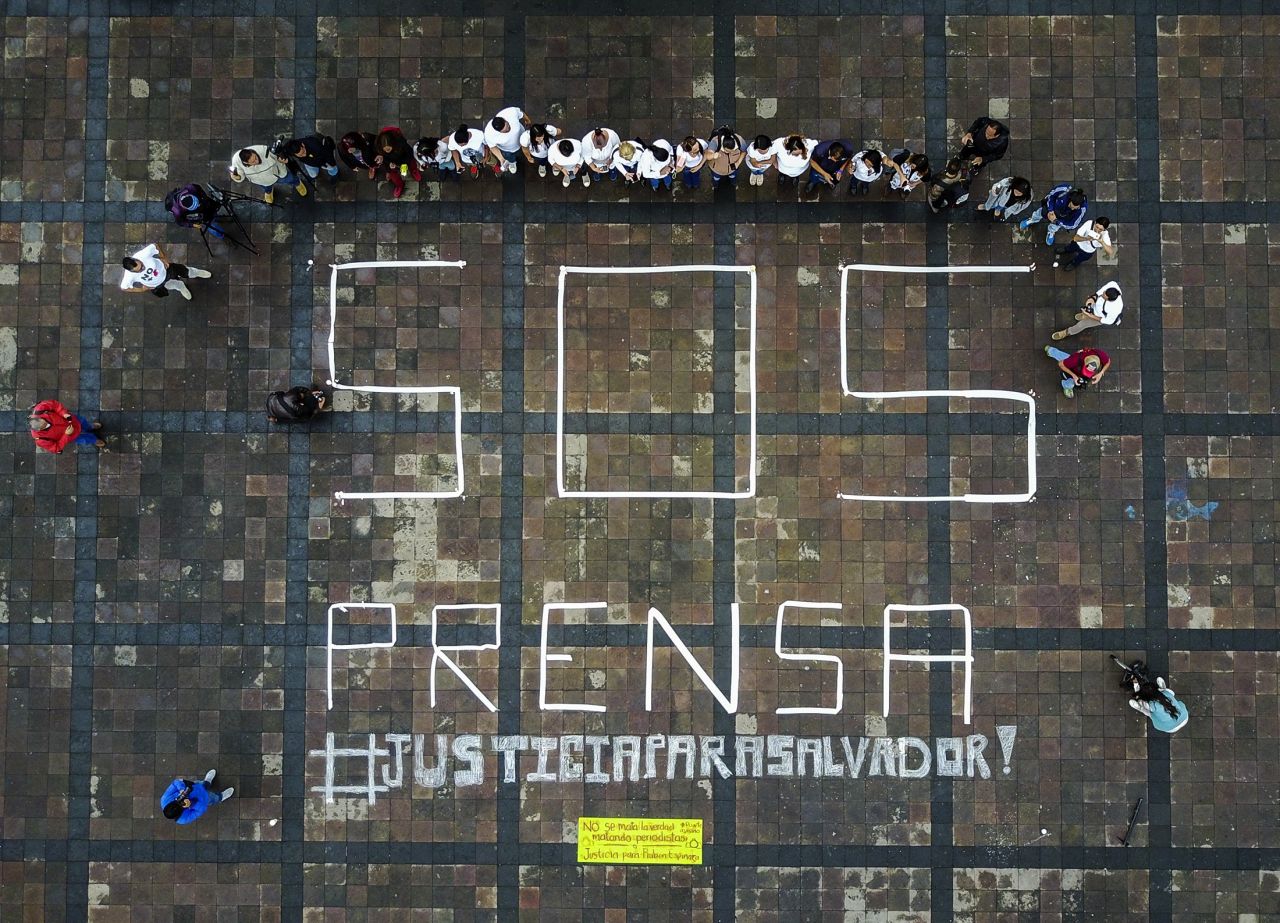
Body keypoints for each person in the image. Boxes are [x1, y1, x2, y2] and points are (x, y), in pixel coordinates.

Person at [120, 242, 211, 301]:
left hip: (167, 269)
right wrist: (142, 289)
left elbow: (155, 245)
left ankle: (196, 273)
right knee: (174, 285)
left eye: (142, 265)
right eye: (139, 270)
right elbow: (124, 288)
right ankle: (181, 287)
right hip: (157, 284)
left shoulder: (143, 255)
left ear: (135, 259)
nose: (143, 268)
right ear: (132, 272)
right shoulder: (128, 276)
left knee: (185, 271)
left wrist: (163, 258)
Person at [228, 143, 304, 205]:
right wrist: (236, 177)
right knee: (267, 188)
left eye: (256, 157)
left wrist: (282, 172)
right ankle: (269, 192)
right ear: (245, 163)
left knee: (291, 179)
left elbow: (278, 159)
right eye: (253, 162)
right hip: (260, 180)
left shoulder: (264, 150)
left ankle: (298, 183)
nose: (257, 161)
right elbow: (240, 176)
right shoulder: (236, 161)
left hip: (276, 174)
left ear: (253, 152)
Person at [1019, 183, 1088, 246]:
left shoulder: (1082, 209)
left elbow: (1073, 224)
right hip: (1052, 209)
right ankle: (1032, 220)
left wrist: (1057, 221)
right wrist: (1050, 210)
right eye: (1071, 206)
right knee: (1039, 213)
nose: (1072, 209)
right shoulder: (1063, 189)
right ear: (1070, 199)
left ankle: (1050, 232)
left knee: (1054, 227)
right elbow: (1051, 196)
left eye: (1075, 208)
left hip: (1062, 219)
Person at [1051, 282, 1124, 339]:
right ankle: (1084, 315)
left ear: (1108, 299)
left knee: (1081, 325)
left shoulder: (1115, 310)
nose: (1103, 293)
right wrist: (1093, 298)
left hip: (1098, 317)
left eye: (1104, 295)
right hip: (1095, 307)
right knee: (1086, 310)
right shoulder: (1113, 285)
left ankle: (1067, 332)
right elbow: (1100, 292)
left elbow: (1107, 321)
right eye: (1104, 292)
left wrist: (1090, 316)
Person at [29, 399, 104, 453]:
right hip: (71, 436)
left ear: (38, 417)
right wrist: (66, 435)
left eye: (44, 421)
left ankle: (90, 427)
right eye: (44, 426)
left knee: (84, 422)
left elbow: (55, 405)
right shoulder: (40, 440)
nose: (47, 423)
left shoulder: (39, 409)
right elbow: (56, 448)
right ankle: (94, 440)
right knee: (84, 439)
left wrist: (63, 413)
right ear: (38, 430)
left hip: (73, 420)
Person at [161, 771, 234, 825]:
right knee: (214, 798)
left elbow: (175, 783)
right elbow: (202, 809)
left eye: (177, 800)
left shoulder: (164, 799)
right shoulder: (183, 819)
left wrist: (182, 789)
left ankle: (207, 782)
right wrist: (192, 804)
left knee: (202, 784)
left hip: (195, 787)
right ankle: (221, 797)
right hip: (204, 798)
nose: (180, 800)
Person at [1043, 344, 1109, 399]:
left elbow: (1108, 362)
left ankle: (1050, 350)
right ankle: (1067, 387)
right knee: (1071, 381)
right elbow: (1061, 364)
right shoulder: (1076, 359)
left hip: (1076, 361)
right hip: (1074, 368)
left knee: (1065, 357)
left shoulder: (1100, 354)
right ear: (1084, 363)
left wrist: (1101, 372)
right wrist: (1074, 376)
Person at [372, 127, 420, 198]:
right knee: (393, 175)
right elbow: (384, 161)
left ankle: (414, 171)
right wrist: (389, 166)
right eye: (385, 149)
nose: (387, 151)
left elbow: (409, 155)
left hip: (404, 161)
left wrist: (403, 164)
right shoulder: (379, 148)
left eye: (388, 148)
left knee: (411, 164)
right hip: (391, 164)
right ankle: (399, 185)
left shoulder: (401, 144)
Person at [484, 107, 531, 176]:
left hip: (522, 138)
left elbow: (521, 113)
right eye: (505, 131)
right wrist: (501, 159)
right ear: (498, 131)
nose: (509, 130)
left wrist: (527, 120)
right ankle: (512, 162)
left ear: (505, 119)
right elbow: (492, 147)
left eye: (508, 126)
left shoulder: (511, 112)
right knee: (510, 157)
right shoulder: (489, 134)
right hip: (508, 150)